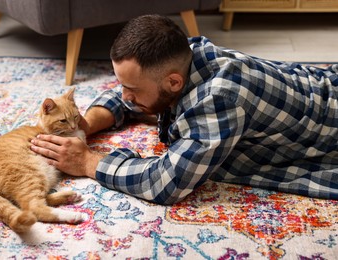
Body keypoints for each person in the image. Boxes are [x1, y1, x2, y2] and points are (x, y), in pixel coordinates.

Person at [30, 14, 338, 205]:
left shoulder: (220, 101)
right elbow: (132, 94)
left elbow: (167, 182)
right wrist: (86, 124)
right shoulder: (182, 53)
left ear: (174, 82)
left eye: (132, 90)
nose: (124, 95)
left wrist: (87, 161)